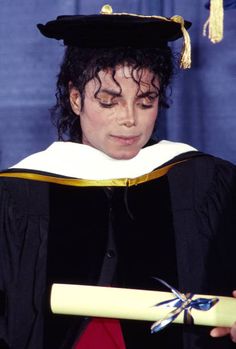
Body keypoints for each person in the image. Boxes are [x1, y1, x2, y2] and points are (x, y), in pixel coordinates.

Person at [0, 4, 236, 349]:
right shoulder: (18, 195)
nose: (130, 119)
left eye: (146, 101)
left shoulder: (205, 182)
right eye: (109, 102)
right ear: (76, 98)